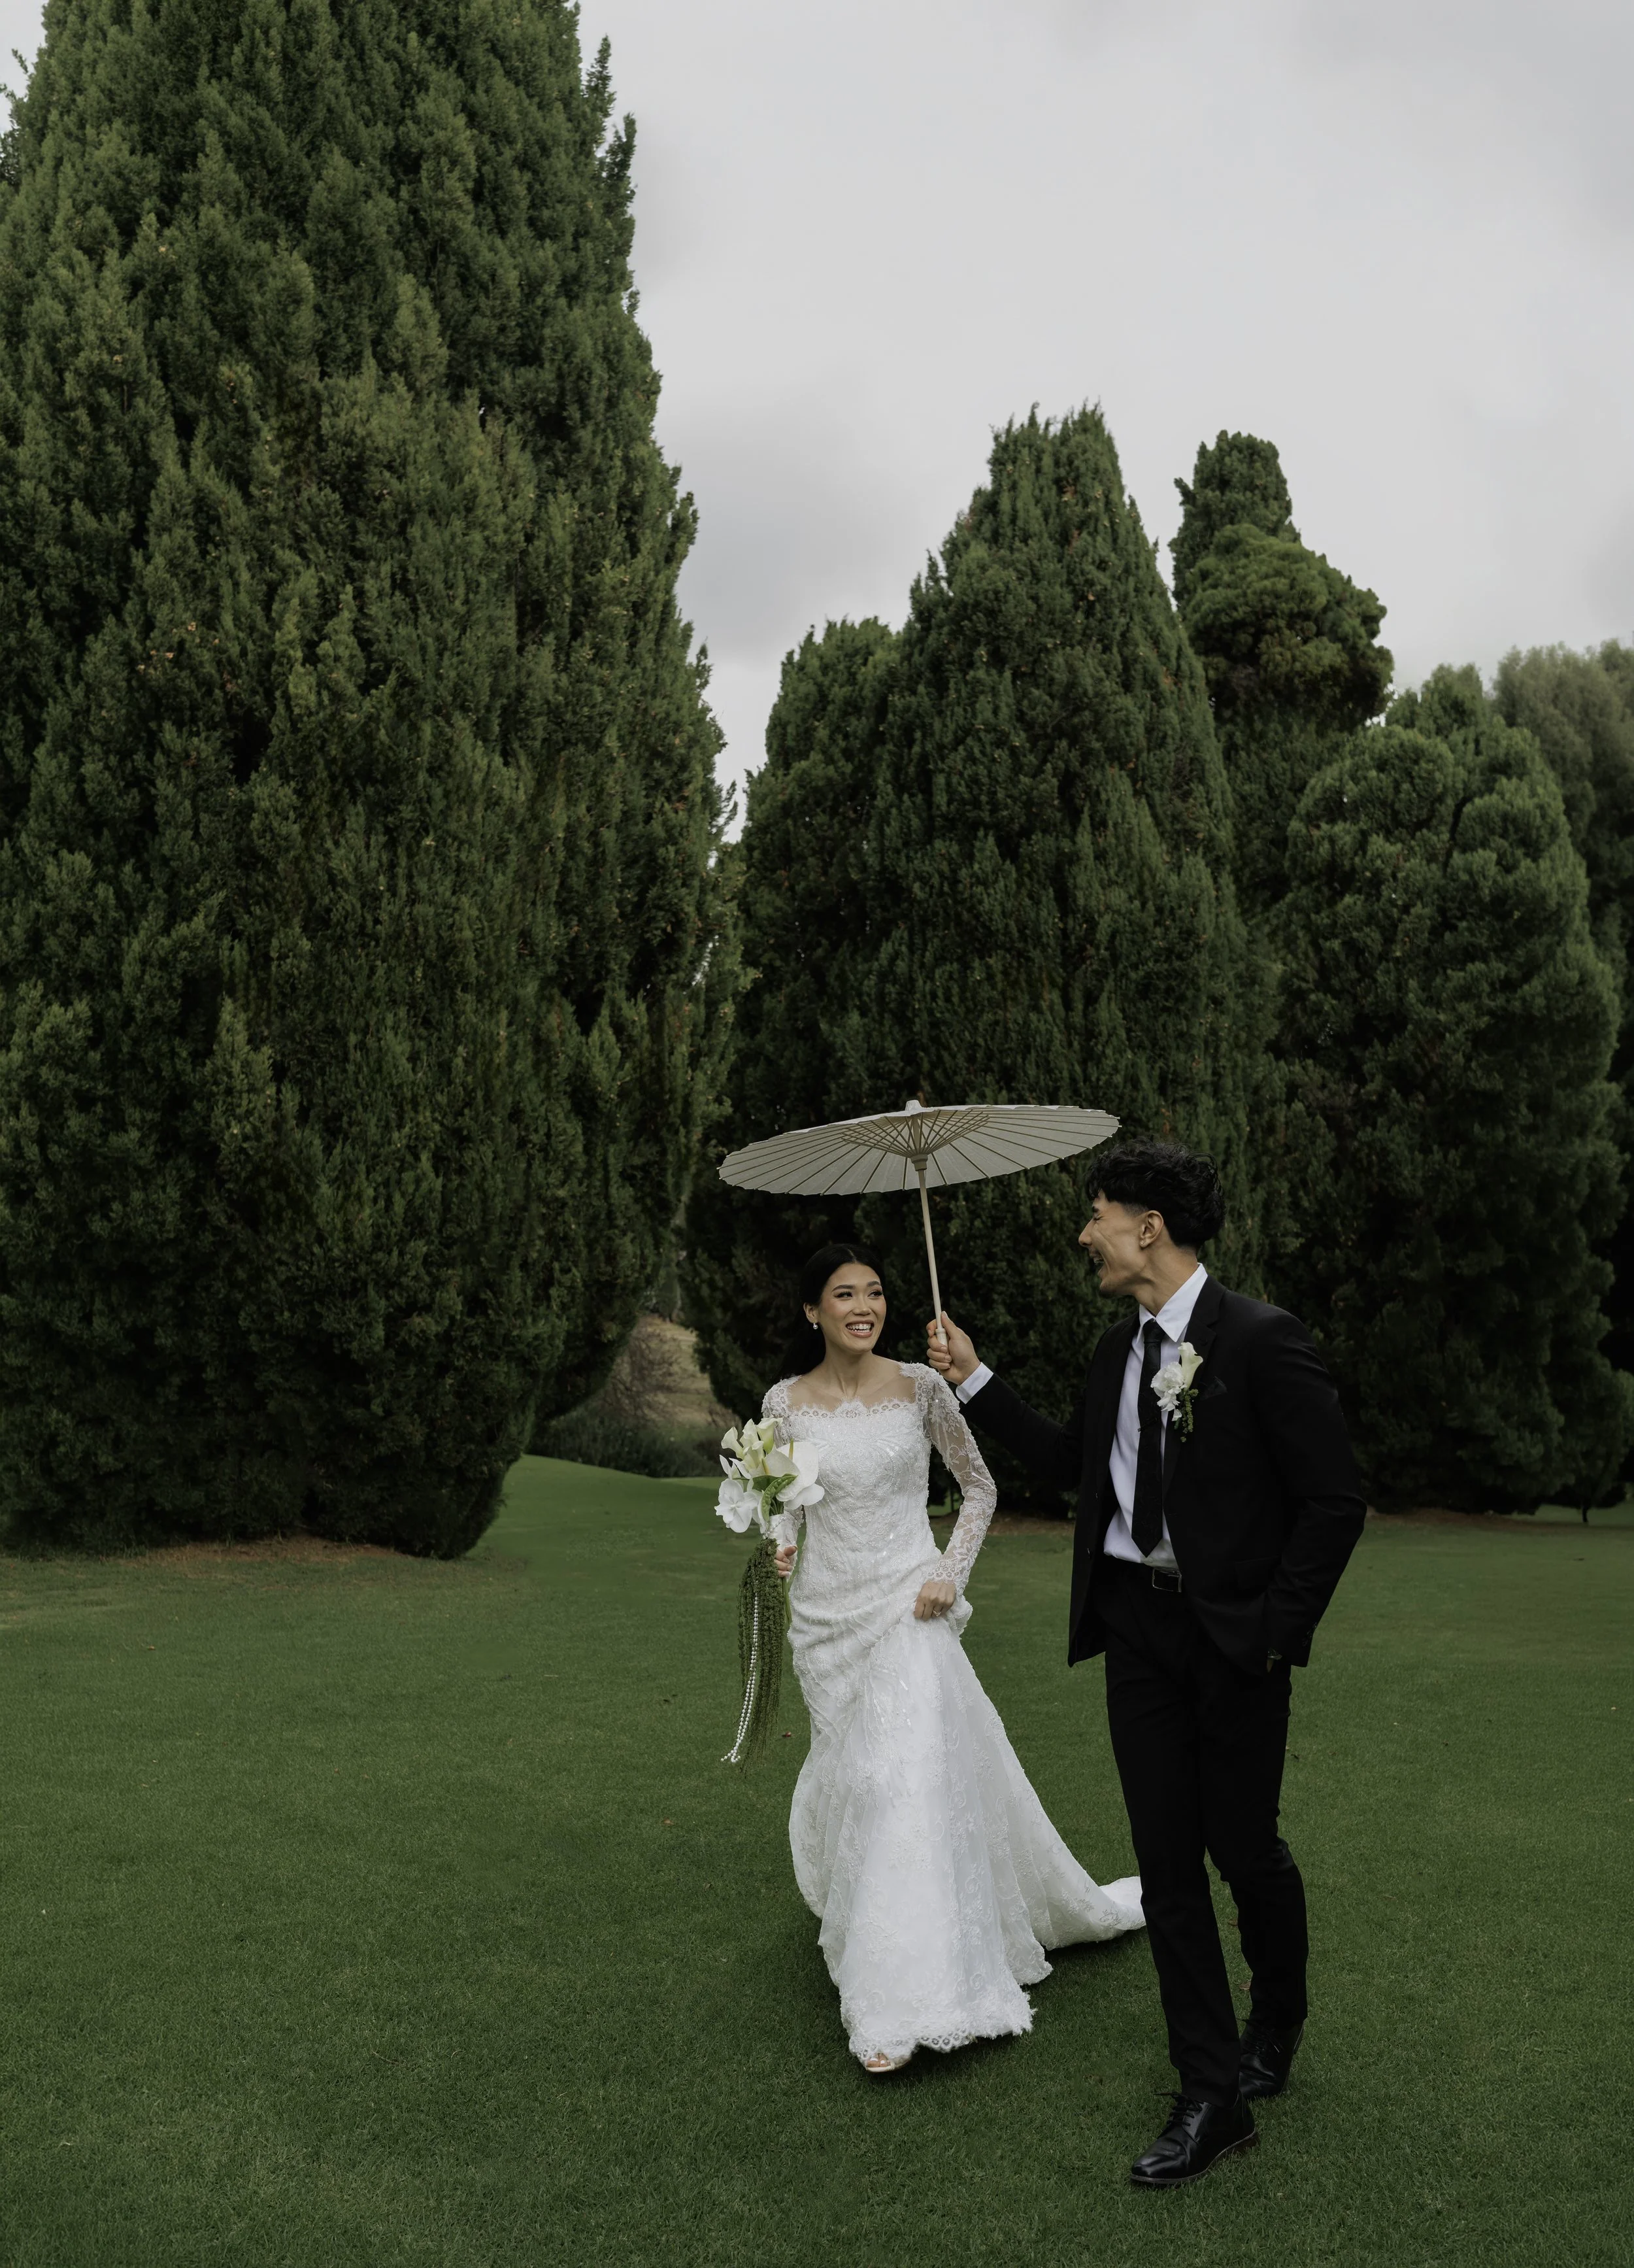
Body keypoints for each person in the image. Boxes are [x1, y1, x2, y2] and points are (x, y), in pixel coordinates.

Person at [927, 1140, 1365, 2188]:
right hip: (1138, 1634)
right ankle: (1209, 2093)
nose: (1087, 1234)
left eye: (1099, 1214)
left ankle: (1279, 2016)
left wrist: (1272, 1631)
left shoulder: (1261, 1340)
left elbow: (1333, 1502)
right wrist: (973, 1374)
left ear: (1148, 1229)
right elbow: (1059, 1459)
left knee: (1244, 1849)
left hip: (1234, 1642)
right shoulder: (1114, 1352)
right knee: (1167, 1868)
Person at [762, 1242, 1144, 2074]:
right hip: (827, 1617)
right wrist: (779, 1542)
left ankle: (901, 1997)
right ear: (811, 1312)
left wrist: (947, 1572)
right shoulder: (783, 1403)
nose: (862, 1306)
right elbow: (781, 1502)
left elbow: (981, 1486)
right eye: (842, 1294)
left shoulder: (922, 1384)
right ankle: (869, 1915)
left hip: (909, 1603)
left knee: (904, 1781)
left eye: (874, 1292)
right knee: (856, 1776)